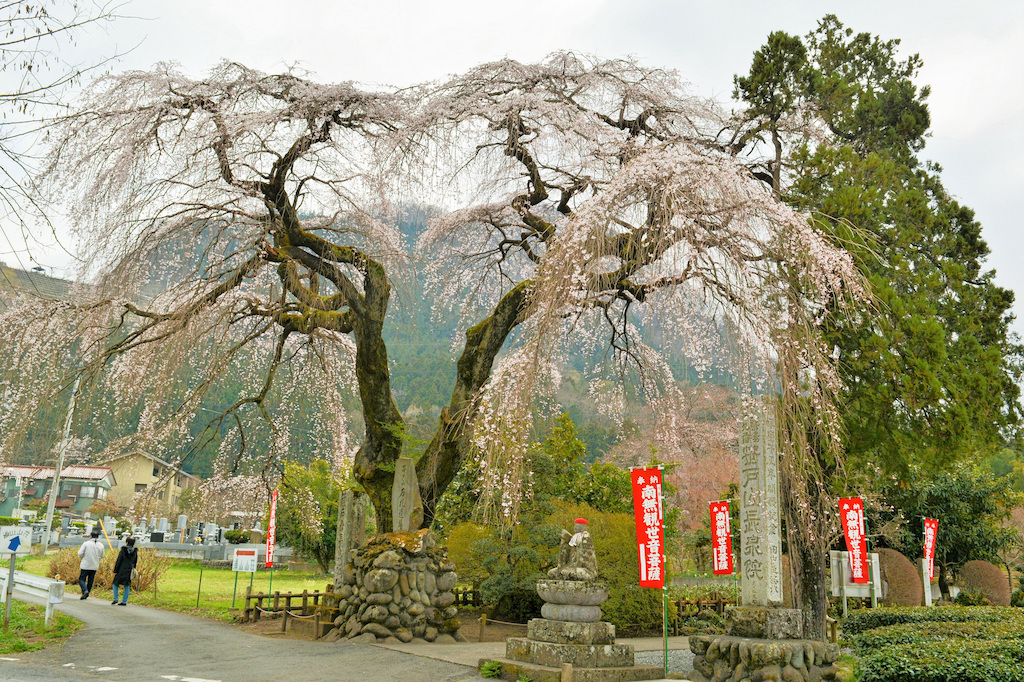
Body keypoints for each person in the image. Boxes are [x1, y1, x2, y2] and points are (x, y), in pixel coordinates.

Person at [77, 529, 106, 600]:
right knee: (90, 580)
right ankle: (87, 592)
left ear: (90, 536)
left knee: (81, 579)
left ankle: (85, 591)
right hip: (95, 565)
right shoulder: (101, 545)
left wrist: (83, 558)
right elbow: (102, 555)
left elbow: (80, 553)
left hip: (85, 564)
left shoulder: (86, 543)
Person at [112, 537, 138, 605]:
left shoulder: (123, 550)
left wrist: (115, 570)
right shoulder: (135, 551)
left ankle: (115, 598)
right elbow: (135, 562)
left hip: (121, 569)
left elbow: (119, 560)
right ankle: (124, 601)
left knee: (115, 583)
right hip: (129, 570)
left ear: (126, 542)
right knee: (127, 585)